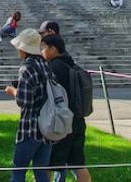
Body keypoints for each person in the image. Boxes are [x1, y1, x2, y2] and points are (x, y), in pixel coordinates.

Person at [4, 29, 55, 182]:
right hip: (46, 128)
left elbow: (23, 101)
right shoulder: (46, 66)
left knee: (18, 172)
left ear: (24, 49)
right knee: (41, 173)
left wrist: (13, 91)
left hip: (30, 128)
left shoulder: (26, 68)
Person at [41, 35, 91, 182]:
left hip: (61, 123)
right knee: (78, 164)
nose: (41, 51)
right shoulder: (73, 65)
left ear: (53, 49)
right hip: (78, 121)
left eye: (43, 48)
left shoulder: (53, 68)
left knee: (46, 164)